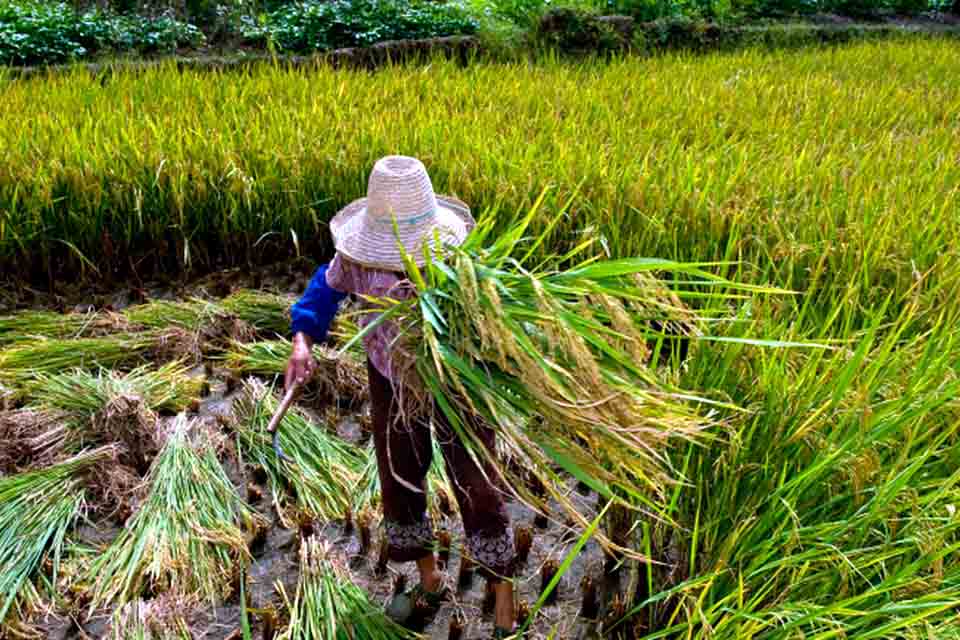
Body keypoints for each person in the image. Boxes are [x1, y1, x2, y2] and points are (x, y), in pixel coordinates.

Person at [285, 156, 516, 638]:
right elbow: (322, 292)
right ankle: (428, 578)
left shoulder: (455, 261)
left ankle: (503, 594)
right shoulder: (357, 260)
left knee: (476, 480)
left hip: (454, 379)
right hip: (390, 378)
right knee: (399, 472)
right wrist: (302, 342)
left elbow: (494, 319)